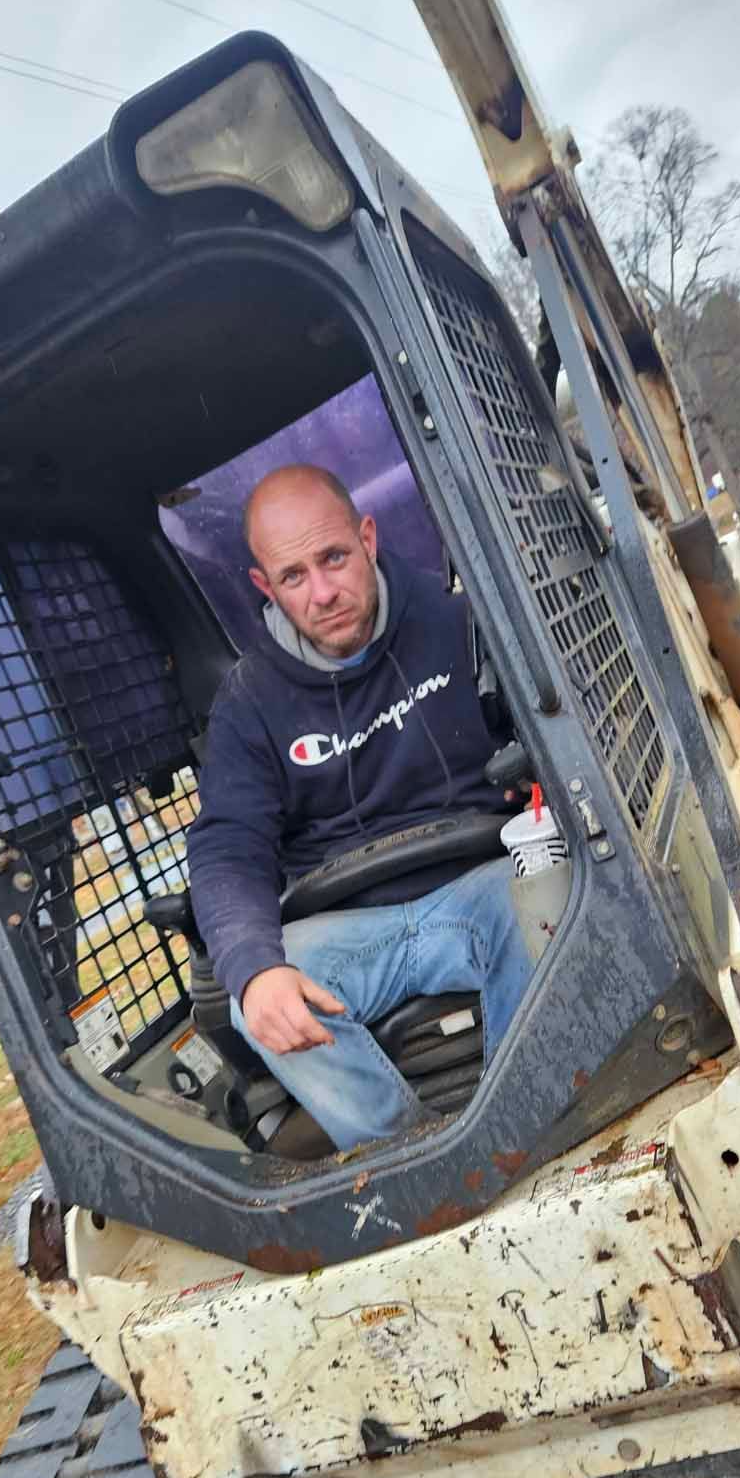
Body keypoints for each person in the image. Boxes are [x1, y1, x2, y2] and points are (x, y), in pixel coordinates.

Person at [187, 464, 532, 1150]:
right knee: (257, 1000)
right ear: (264, 586)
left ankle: (530, 1120)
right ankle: (415, 1162)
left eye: (334, 558)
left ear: (367, 538)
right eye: (292, 577)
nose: (321, 594)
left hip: (482, 888)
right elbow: (228, 846)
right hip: (346, 927)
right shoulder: (247, 703)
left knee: (551, 900)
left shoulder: (461, 623)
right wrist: (255, 970)